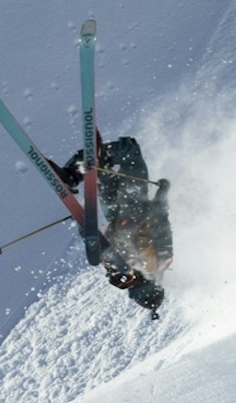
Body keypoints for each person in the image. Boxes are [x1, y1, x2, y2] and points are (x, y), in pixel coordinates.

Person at [53, 133, 173, 319]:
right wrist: (83, 222)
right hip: (116, 218)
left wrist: (162, 193)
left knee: (130, 152)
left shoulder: (161, 262)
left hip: (134, 209)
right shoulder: (128, 276)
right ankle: (73, 173)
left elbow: (161, 220)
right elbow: (99, 246)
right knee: (100, 171)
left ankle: (77, 170)